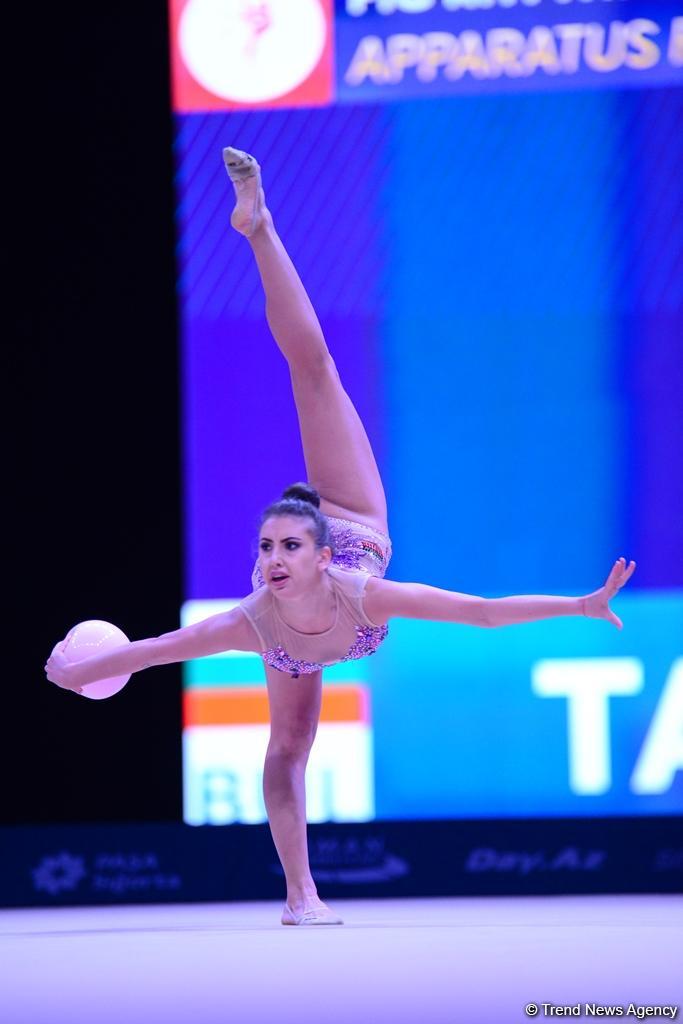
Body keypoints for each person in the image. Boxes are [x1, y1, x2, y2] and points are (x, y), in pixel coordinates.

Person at [45, 146, 637, 926]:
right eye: (264, 550)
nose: (271, 561)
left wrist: (579, 605)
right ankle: (300, 895)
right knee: (287, 752)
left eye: (287, 547)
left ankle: (258, 227)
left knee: (315, 368)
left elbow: (482, 612)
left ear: (321, 556)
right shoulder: (252, 621)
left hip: (350, 508)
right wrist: (73, 674)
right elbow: (148, 653)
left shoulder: (365, 586)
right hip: (298, 642)